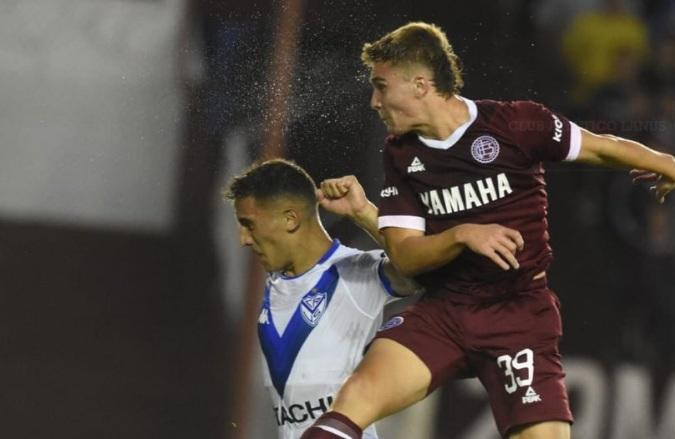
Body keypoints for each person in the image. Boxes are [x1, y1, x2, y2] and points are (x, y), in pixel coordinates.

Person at [301, 22, 675, 439]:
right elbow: (406, 256)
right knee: (355, 397)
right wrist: (462, 234)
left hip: (519, 314)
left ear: (421, 85)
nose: (374, 101)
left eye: (381, 86)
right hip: (445, 311)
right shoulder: (401, 154)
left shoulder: (516, 123)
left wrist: (669, 165)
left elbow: (599, 146)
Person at [224, 159, 421, 439]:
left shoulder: (354, 272)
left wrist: (362, 212)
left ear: (290, 219)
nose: (243, 238)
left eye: (249, 225)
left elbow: (421, 270)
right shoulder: (277, 284)